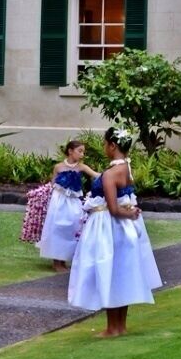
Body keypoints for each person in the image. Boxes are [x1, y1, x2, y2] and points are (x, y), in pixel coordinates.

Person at [68, 127, 162, 337]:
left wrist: (128, 213)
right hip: (126, 229)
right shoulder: (126, 169)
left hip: (108, 227)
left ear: (112, 145)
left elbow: (113, 208)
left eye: (105, 144)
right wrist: (132, 213)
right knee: (122, 272)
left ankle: (112, 328)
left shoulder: (111, 174)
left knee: (109, 271)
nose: (104, 148)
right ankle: (120, 325)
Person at [38, 139, 100, 272]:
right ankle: (56, 261)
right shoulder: (59, 167)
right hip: (59, 200)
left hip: (73, 201)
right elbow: (52, 183)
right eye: (80, 151)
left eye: (83, 152)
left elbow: (96, 175)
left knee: (73, 226)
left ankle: (64, 258)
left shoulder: (81, 167)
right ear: (70, 151)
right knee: (57, 227)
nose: (82, 154)